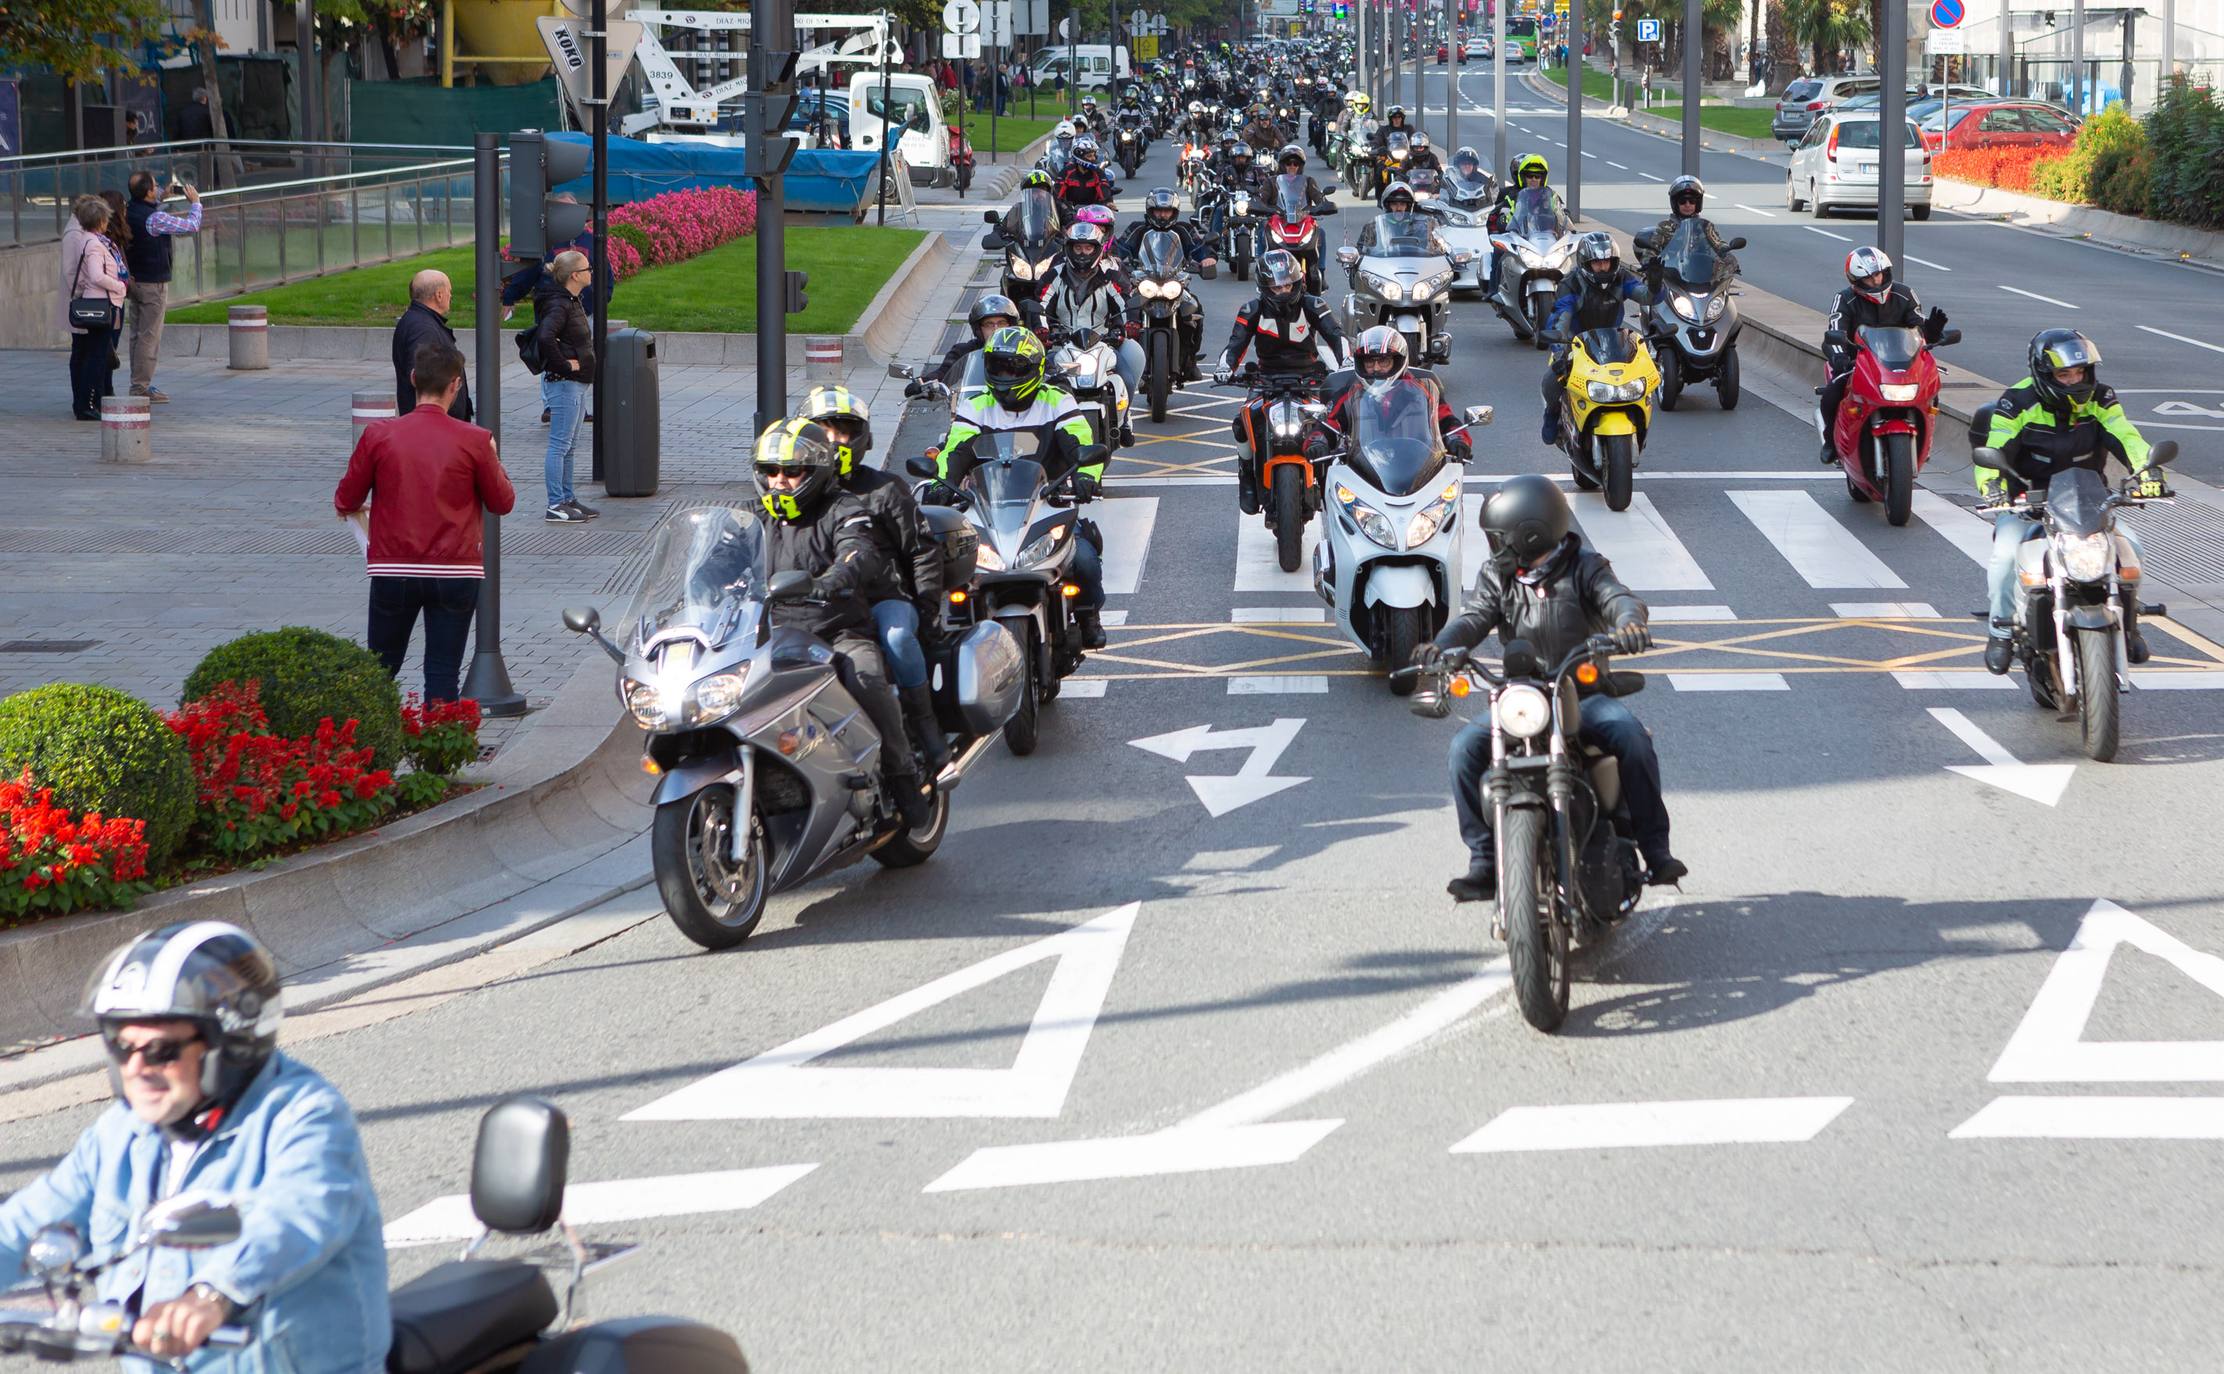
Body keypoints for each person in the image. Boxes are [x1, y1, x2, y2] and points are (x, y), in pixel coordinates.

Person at [0, 922, 390, 1371]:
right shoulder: (120, 1134)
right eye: (121, 1046)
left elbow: (296, 1214)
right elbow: (27, 1220)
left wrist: (212, 1295)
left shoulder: (303, 1113)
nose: (136, 1067)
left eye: (161, 1050)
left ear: (230, 1043)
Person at [1411, 475, 1684, 901]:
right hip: (1522, 696)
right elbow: (1475, 619)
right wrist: (1441, 647)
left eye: (1499, 538)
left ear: (1528, 534)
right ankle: (1484, 860)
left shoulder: (1585, 567)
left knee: (1632, 738)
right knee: (1464, 748)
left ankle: (1655, 848)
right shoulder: (1498, 577)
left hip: (1583, 695)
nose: (1494, 546)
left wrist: (1630, 624)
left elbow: (1619, 599)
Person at [757, 416, 933, 828]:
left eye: (791, 471)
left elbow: (858, 550)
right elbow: (718, 562)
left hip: (838, 632)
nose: (779, 480)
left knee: (866, 676)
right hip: (774, 636)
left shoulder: (843, 508)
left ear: (816, 472)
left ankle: (901, 771)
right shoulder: (754, 518)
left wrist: (833, 579)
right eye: (770, 471)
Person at [335, 341, 515, 702]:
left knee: (380, 668)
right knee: (443, 673)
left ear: (413, 378)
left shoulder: (379, 435)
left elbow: (345, 500)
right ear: (455, 385)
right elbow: (502, 502)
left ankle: (371, 748)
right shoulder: (476, 440)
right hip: (456, 570)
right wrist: (493, 460)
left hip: (394, 567)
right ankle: (437, 753)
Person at [1976, 330, 2163, 673]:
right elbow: (1996, 444)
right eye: (2064, 374)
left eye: (2079, 372)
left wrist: (2148, 472)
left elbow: (2125, 434)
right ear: (2044, 374)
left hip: (2090, 503)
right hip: (2028, 501)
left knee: (2132, 547)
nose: (2075, 381)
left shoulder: (2102, 397)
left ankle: (2131, 623)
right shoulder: (2015, 401)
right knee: (2004, 556)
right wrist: (1993, 486)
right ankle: (2000, 630)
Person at [801, 385, 952, 778]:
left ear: (863, 437)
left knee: (899, 638)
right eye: (823, 431)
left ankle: (925, 725)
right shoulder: (797, 490)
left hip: (882, 598)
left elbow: (921, 550)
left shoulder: (884, 489)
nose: (834, 441)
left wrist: (927, 610)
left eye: (844, 431)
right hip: (816, 604)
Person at [929, 326, 1108, 648]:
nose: (1006, 375)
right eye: (998, 366)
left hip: (1048, 502)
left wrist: (1085, 478)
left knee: (1084, 559)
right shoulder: (976, 405)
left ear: (1036, 369)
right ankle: (952, 625)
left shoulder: (1057, 400)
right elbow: (954, 451)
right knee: (950, 561)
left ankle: (1087, 615)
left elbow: (1083, 442)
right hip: (988, 505)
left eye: (1014, 368)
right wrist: (939, 483)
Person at [1219, 249, 1349, 516]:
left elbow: (1336, 336)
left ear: (1298, 281)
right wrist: (1224, 367)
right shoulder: (1251, 309)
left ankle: (1331, 475)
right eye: (1276, 287)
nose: (1283, 291)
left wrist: (1346, 361)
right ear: (1265, 286)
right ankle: (1246, 474)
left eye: (1288, 284)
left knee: (1336, 422)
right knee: (1242, 422)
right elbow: (1236, 344)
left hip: (1310, 377)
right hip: (1266, 378)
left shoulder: (1314, 305)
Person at [1819, 247, 1947, 465]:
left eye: (1878, 274)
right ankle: (1831, 440)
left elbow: (1919, 333)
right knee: (1831, 394)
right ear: (1855, 279)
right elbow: (1835, 329)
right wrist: (1839, 357)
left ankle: (1925, 439)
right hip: (1858, 362)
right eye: (1868, 278)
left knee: (1932, 391)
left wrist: (1933, 330)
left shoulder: (1905, 294)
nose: (1876, 281)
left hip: (1900, 364)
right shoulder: (1844, 299)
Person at [1541, 231, 1648, 445]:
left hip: (1614, 343)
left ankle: (1640, 425)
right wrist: (1560, 345)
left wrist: (1655, 284)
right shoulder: (1570, 283)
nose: (1603, 268)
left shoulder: (1621, 278)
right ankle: (1551, 416)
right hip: (1574, 344)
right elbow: (1561, 315)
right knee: (1552, 380)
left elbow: (1645, 295)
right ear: (1585, 263)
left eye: (1607, 262)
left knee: (1644, 377)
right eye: (1597, 263)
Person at [1310, 327, 1473, 464]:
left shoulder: (1423, 390)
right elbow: (1329, 424)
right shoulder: (1350, 393)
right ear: (1360, 363)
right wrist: (1318, 441)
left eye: (1383, 361)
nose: (1376, 368)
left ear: (1398, 361)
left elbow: (1446, 420)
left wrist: (1458, 440)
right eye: (1369, 362)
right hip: (1363, 469)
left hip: (1419, 467)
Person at [1116, 189, 1216, 380]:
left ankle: (1190, 360)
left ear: (1174, 212)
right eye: (1158, 211)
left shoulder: (1184, 229)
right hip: (1145, 283)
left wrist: (1207, 258)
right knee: (1125, 311)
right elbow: (1122, 247)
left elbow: (1199, 247)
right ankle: (1121, 359)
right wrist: (1116, 258)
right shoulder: (1138, 228)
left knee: (1194, 310)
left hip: (1174, 282)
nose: (1162, 215)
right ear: (1150, 211)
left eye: (1167, 211)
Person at [122, 170, 202, 403]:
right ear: (147, 191)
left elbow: (147, 207)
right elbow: (191, 226)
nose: (158, 189)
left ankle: (137, 382)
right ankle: (140, 387)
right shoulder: (154, 219)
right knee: (149, 336)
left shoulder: (129, 210)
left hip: (135, 280)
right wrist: (195, 203)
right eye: (155, 186)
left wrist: (162, 198)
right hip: (152, 283)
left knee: (137, 334)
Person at [532, 249, 598, 522]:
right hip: (565, 385)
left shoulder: (571, 300)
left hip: (576, 384)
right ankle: (556, 503)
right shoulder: (560, 304)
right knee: (560, 445)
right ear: (574, 275)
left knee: (570, 445)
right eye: (587, 269)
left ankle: (567, 498)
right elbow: (545, 336)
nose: (590, 273)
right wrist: (564, 364)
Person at [60, 196, 125, 422]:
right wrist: (119, 286)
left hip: (97, 302)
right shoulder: (94, 244)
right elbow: (97, 276)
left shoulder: (89, 240)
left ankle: (86, 403)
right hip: (100, 303)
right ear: (100, 221)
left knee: (93, 355)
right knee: (95, 357)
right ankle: (87, 405)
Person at [391, 269, 473, 423]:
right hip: (433, 427)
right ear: (439, 295)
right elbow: (426, 380)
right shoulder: (423, 329)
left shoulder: (419, 321)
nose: (451, 296)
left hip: (431, 424)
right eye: (449, 291)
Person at [1635, 175, 1740, 282]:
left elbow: (1718, 244)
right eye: (1683, 201)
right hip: (1671, 278)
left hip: (1703, 278)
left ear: (1698, 203)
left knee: (1725, 295)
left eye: (1692, 201)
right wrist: (1649, 263)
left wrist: (1726, 251)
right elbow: (1652, 249)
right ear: (1675, 203)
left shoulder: (1705, 227)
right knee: (1654, 294)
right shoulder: (1665, 227)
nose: (1687, 205)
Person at [915, 293, 1023, 389]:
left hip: (1017, 406)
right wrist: (924, 383)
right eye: (989, 324)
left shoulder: (1024, 348)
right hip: (972, 407)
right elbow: (943, 373)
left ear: (1011, 325)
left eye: (1001, 323)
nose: (996, 329)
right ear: (979, 329)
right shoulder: (964, 351)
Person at [1490, 153, 1550, 231]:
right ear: (1523, 177)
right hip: (1522, 238)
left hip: (1548, 239)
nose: (1534, 179)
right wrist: (1504, 220)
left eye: (1537, 176)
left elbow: (1563, 217)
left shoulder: (1551, 195)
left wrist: (1565, 216)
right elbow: (1504, 216)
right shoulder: (1512, 196)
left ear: (1543, 179)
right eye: (1530, 176)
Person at [1055, 137, 1117, 208]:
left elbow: (1104, 188)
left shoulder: (1098, 172)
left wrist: (1108, 202)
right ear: (1079, 157)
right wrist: (1064, 208)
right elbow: (1057, 195)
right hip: (1071, 212)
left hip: (1094, 212)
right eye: (1089, 156)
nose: (1093, 158)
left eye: (1094, 155)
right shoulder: (1066, 172)